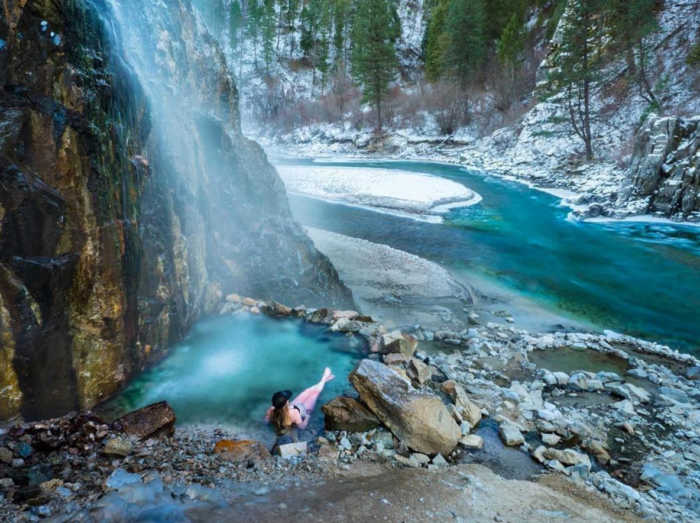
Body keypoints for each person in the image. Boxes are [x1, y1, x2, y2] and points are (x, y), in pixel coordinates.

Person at [265, 367, 335, 433]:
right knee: (314, 393)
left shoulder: (271, 410)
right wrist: (307, 416)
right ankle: (324, 378)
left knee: (306, 391)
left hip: (291, 407)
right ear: (286, 403)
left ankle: (323, 381)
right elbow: (302, 427)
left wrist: (268, 418)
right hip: (304, 410)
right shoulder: (294, 413)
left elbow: (265, 423)